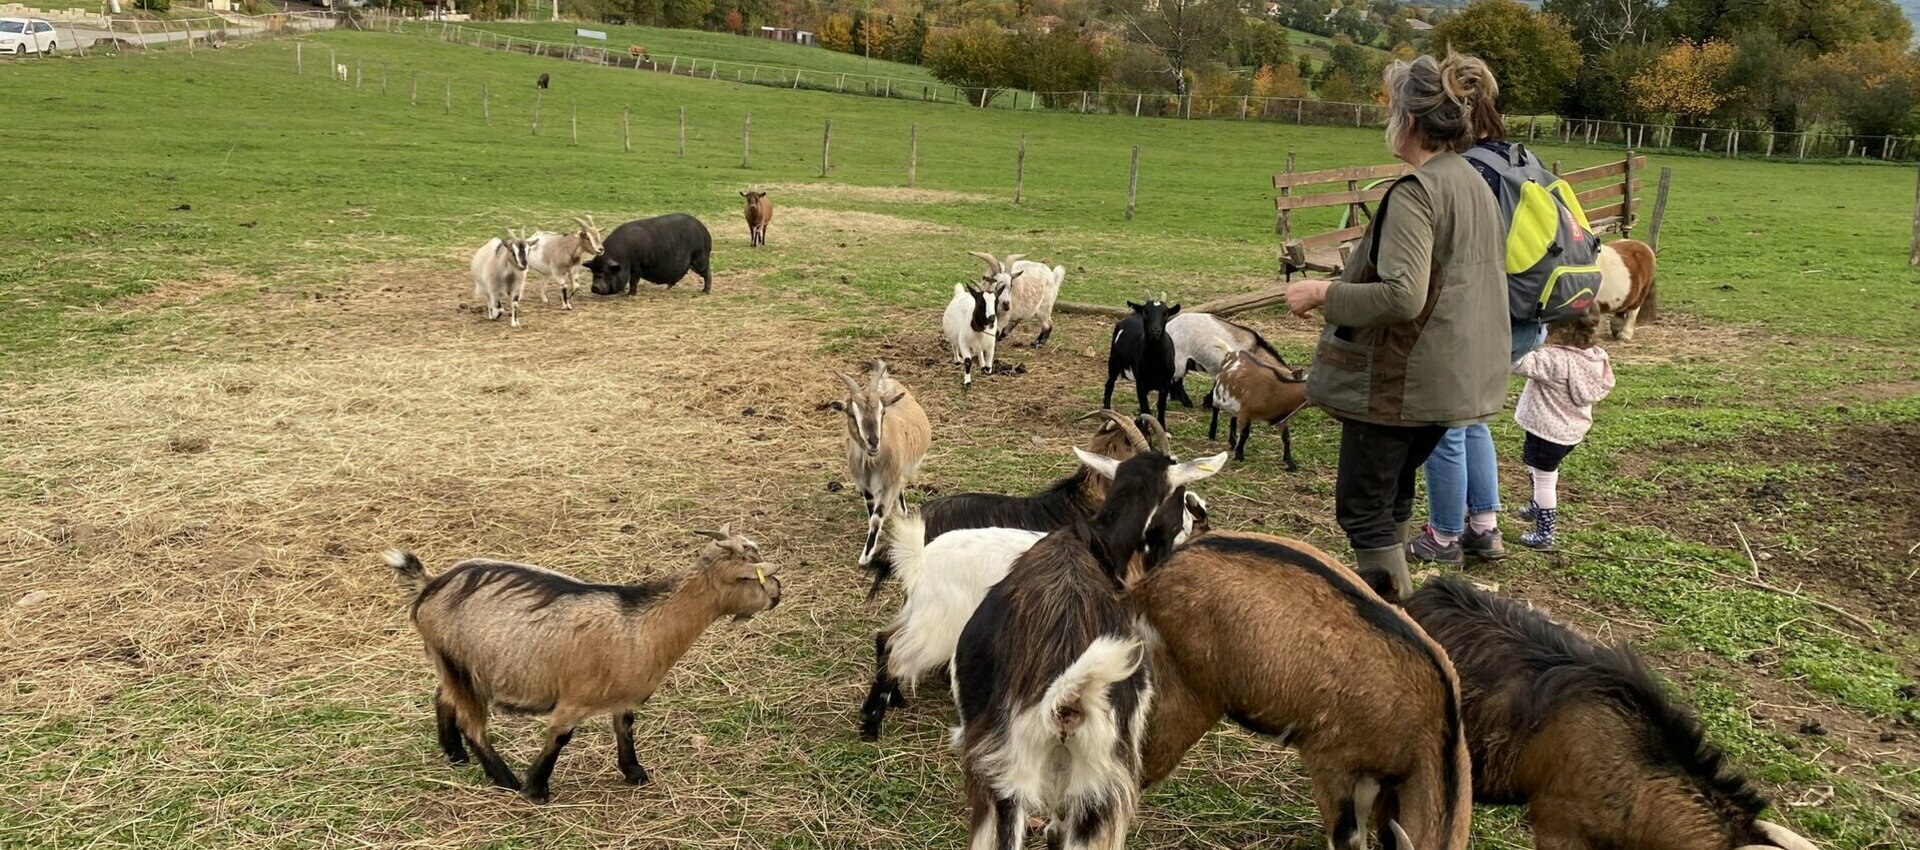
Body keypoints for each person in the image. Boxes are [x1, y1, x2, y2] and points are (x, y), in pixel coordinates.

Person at [1283, 53, 1511, 599]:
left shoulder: (1416, 192)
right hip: (1455, 379)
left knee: (1363, 510)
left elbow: (1402, 297)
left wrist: (1321, 293)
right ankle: (1401, 613)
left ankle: (1397, 627)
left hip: (1400, 382)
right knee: (1392, 497)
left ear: (1408, 120)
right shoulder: (1472, 180)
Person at [1406, 97, 1549, 566]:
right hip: (1529, 315)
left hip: (1486, 317)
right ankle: (1484, 529)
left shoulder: (1467, 172)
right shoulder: (1520, 158)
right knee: (1472, 419)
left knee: (1445, 423)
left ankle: (1444, 536)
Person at [1511, 309, 1616, 550]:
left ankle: (1544, 533)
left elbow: (1517, 362)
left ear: (1558, 329)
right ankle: (1538, 504)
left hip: (1546, 431)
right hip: (1570, 433)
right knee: (1541, 470)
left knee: (1544, 480)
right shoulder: (1595, 357)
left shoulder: (1553, 360)